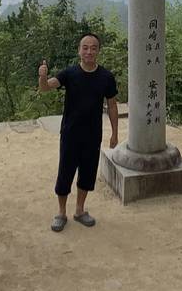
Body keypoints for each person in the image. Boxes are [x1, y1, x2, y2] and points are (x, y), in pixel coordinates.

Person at [38, 33, 119, 232]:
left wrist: (115, 133)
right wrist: (42, 76)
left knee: (87, 173)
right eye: (85, 47)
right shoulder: (70, 73)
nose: (89, 51)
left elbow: (113, 106)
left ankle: (80, 210)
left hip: (93, 134)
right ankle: (61, 213)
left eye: (93, 47)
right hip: (70, 133)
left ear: (98, 51)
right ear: (79, 50)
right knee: (65, 172)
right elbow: (46, 88)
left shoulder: (106, 77)